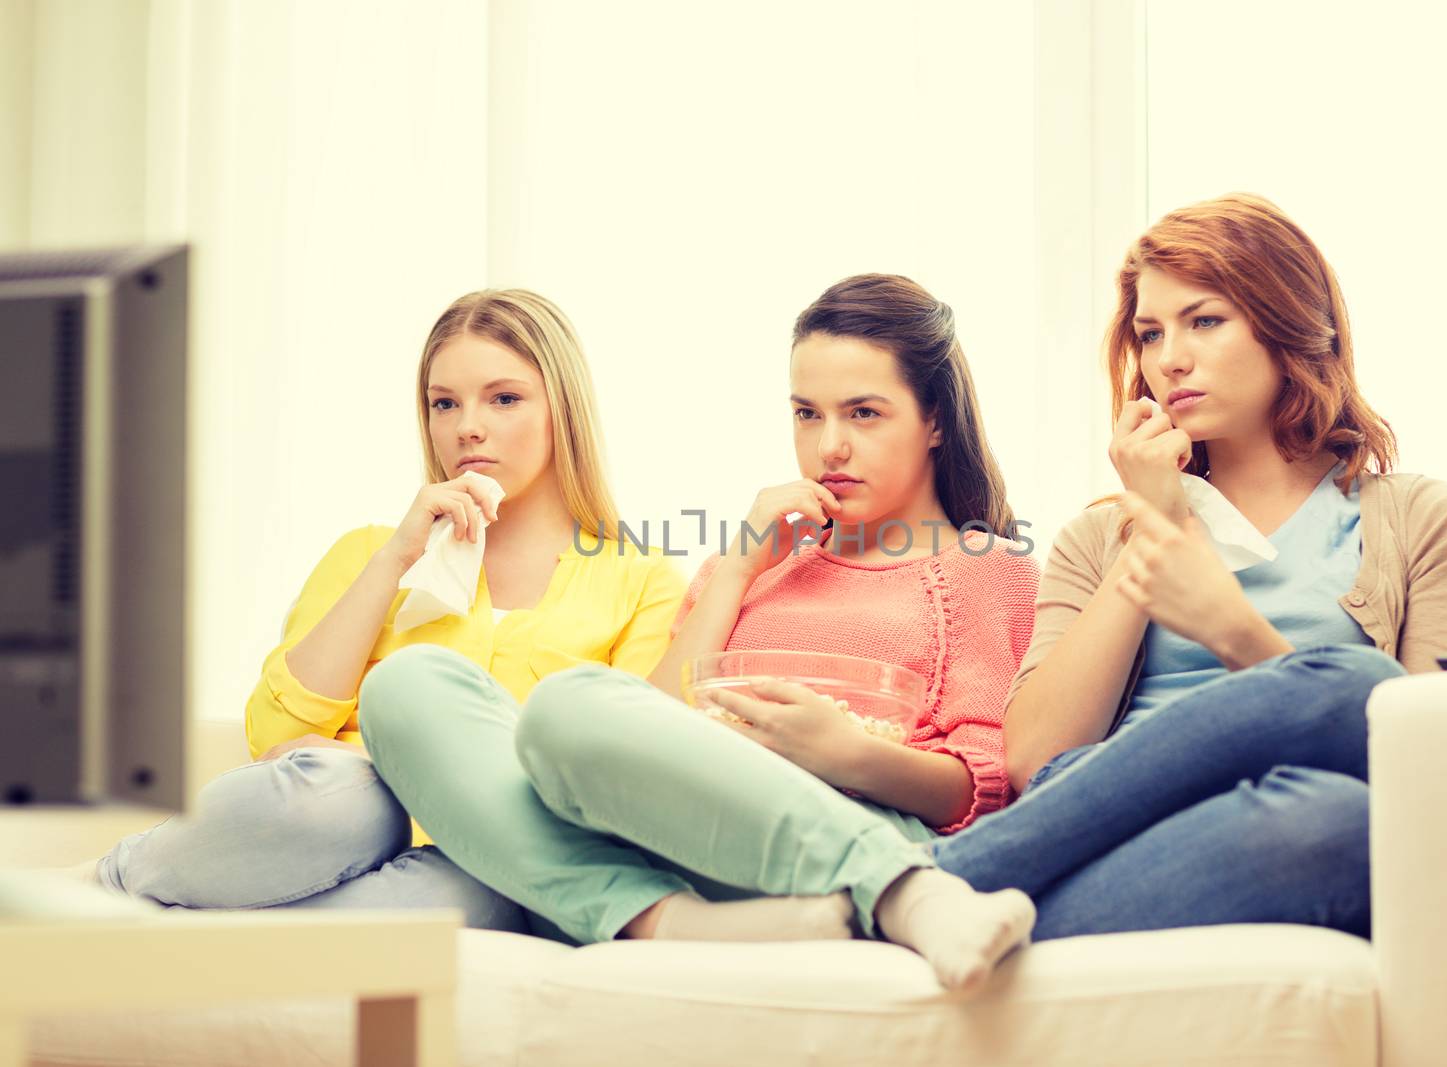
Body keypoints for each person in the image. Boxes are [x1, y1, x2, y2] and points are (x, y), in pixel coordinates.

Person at [359, 274, 1039, 990]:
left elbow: (988, 785)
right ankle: (663, 921)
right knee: (406, 688)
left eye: (863, 414)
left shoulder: (983, 569)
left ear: (934, 420)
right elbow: (630, 734)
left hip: (845, 833)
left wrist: (848, 754)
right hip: (685, 849)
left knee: (565, 701)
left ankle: (907, 891)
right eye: (807, 414)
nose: (829, 446)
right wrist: (740, 569)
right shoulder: (745, 562)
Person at [934, 193, 1447, 940]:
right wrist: (1156, 526)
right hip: (1095, 826)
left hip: (1269, 831)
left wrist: (1230, 627)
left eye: (1204, 320)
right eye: (1149, 333)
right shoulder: (1102, 534)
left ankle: (926, 891)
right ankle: (937, 885)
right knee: (1355, 687)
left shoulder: (1435, 524)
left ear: (1289, 322)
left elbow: (1434, 781)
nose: (1169, 357)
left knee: (1343, 805)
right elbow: (1038, 756)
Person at [91, 289, 686, 932]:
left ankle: (174, 933)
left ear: (562, 410)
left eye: (504, 398)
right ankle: (109, 882)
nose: (467, 427)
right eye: (444, 403)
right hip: (337, 821)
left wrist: (405, 763)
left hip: (479, 862)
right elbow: (277, 737)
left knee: (475, 890)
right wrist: (397, 559)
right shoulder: (372, 553)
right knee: (350, 801)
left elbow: (614, 779)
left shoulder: (643, 580)